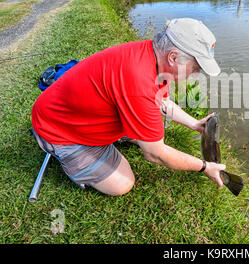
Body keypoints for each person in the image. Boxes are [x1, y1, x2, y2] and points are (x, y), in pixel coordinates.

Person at [31, 18, 226, 196]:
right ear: (173, 57)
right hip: (58, 129)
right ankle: (67, 157)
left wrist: (193, 123)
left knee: (151, 129)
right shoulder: (139, 82)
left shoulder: (151, 55)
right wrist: (204, 167)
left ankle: (111, 135)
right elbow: (155, 154)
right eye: (196, 68)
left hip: (76, 111)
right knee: (122, 184)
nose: (195, 75)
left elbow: (162, 102)